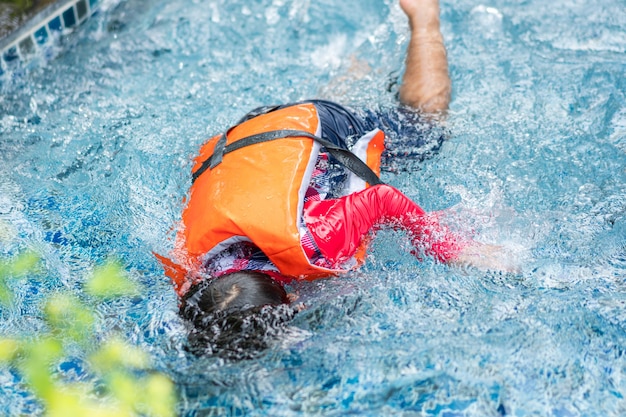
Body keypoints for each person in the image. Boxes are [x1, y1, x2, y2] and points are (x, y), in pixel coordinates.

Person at [158, 0, 512, 356]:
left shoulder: (317, 243)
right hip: (253, 132)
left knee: (426, 130)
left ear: (294, 302)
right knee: (306, 150)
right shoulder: (196, 275)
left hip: (318, 127)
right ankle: (352, 74)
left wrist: (450, 250)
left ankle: (423, 18)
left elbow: (381, 200)